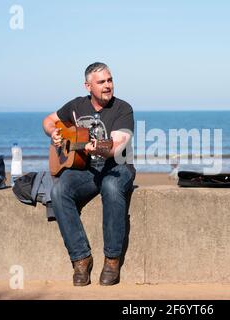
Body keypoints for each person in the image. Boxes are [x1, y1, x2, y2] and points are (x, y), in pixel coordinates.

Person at [42, 62, 135, 286]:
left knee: (111, 187)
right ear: (88, 86)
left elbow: (118, 144)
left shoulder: (123, 109)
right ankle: (81, 259)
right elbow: (47, 120)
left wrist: (101, 148)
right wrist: (54, 133)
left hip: (118, 167)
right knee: (59, 190)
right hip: (87, 169)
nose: (107, 86)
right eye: (101, 82)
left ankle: (112, 259)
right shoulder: (75, 106)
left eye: (110, 80)